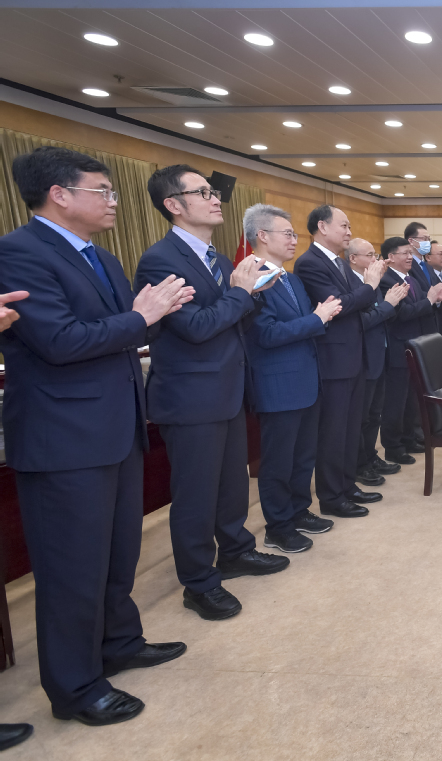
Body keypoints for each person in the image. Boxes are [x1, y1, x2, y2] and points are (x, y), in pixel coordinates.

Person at [0, 147, 191, 727]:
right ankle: (76, 687)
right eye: (102, 191)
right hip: (64, 438)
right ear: (59, 194)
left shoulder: (101, 256)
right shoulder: (19, 252)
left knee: (116, 553)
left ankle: (119, 643)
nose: (113, 202)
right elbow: (60, 342)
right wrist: (143, 317)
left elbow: (114, 333)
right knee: (71, 569)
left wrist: (138, 320)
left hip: (115, 428)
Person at [137, 164, 289, 621]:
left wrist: (255, 292)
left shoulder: (221, 260)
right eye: (202, 192)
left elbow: (234, 320)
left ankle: (236, 550)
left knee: (231, 484)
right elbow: (197, 328)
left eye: (212, 191)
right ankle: (199, 582)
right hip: (191, 397)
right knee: (196, 495)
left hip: (227, 389)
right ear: (173, 205)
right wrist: (242, 294)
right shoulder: (161, 260)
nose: (215, 198)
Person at [243, 204, 344, 553]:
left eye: (293, 233)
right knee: (278, 461)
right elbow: (266, 334)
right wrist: (318, 318)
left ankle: (299, 511)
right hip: (278, 384)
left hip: (306, 380)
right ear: (262, 236)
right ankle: (278, 526)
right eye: (287, 233)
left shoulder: (292, 279)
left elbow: (306, 324)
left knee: (303, 457)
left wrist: (318, 318)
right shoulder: (252, 279)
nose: (294, 239)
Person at [293, 205, 388, 519]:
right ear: (322, 226)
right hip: (333, 361)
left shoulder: (338, 262)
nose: (349, 232)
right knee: (333, 433)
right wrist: (370, 286)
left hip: (354, 356)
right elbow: (339, 306)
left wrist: (364, 292)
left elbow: (356, 304)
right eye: (344, 226)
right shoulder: (309, 263)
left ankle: (347, 486)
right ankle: (332, 497)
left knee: (350, 428)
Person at [378, 237, 442, 465]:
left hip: (414, 347)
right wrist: (429, 301)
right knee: (395, 401)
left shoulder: (411, 279)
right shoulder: (386, 281)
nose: (410, 257)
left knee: (411, 398)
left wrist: (435, 300)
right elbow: (401, 314)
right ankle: (393, 447)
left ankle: (409, 438)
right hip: (398, 348)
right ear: (391, 257)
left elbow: (421, 310)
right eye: (405, 253)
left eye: (411, 253)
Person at [347, 238, 403, 487]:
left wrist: (389, 304)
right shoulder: (353, 285)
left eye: (375, 255)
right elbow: (363, 321)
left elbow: (380, 313)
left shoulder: (373, 281)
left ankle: (370, 456)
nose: (376, 260)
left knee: (374, 414)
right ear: (353, 259)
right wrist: (389, 304)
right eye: (369, 255)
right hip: (363, 356)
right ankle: (360, 464)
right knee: (362, 417)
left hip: (380, 353)